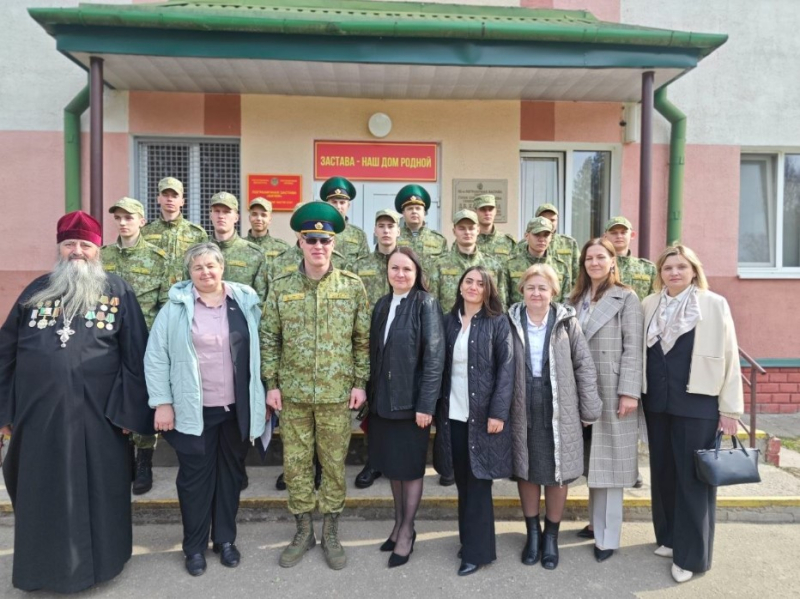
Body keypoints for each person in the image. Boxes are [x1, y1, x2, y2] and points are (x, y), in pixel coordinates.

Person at [0, 211, 153, 593]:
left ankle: (102, 567)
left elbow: (137, 356)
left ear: (98, 249)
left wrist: (129, 414)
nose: (78, 252)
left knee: (101, 492)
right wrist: (4, 413)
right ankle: (41, 572)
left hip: (100, 419)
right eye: (70, 244)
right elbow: (5, 354)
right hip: (38, 420)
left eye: (85, 244)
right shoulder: (35, 291)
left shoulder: (119, 292)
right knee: (42, 493)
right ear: (59, 247)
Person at [144, 242, 266, 577]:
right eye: (198, 267)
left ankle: (225, 540)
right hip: (192, 411)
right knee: (195, 481)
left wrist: (261, 399)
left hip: (235, 411)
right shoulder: (176, 308)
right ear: (190, 272)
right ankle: (194, 547)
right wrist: (162, 403)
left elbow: (259, 353)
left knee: (230, 478)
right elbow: (155, 358)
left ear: (222, 267)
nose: (205, 272)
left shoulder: (244, 302)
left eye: (211, 265)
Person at [261, 201, 370, 571]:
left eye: (325, 239)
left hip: (336, 394)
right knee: (295, 465)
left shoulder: (352, 286)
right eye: (311, 239)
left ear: (334, 242)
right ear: (300, 241)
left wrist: (360, 383)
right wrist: (271, 384)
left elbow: (362, 340)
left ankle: (332, 531)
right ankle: (304, 530)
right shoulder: (281, 286)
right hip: (292, 395)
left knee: (335, 465)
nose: (318, 246)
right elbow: (269, 337)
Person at [641, 245, 743, 584]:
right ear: (660, 273)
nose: (674, 272)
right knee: (664, 473)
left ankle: (692, 556)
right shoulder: (650, 304)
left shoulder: (712, 304)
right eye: (668, 267)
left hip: (697, 404)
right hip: (658, 404)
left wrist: (729, 409)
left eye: (681, 267)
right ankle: (670, 538)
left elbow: (729, 356)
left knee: (693, 480)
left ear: (693, 270)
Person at [507, 264, 601, 571]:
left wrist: (589, 408)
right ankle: (532, 534)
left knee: (557, 471)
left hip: (560, 406)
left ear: (553, 292)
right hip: (521, 405)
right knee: (528, 468)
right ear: (522, 290)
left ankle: (551, 537)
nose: (536, 293)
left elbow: (584, 366)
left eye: (543, 288)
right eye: (531, 287)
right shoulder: (510, 321)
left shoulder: (566, 323)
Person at [433, 266, 513, 576]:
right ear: (460, 285)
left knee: (480, 483)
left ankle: (479, 552)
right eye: (469, 281)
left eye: (480, 283)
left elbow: (506, 370)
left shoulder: (497, 323)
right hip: (453, 414)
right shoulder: (449, 321)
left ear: (488, 290)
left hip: (482, 417)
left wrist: (498, 412)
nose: (473, 287)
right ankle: (469, 539)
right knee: (463, 482)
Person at [567, 238, 644, 562]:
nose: (594, 262)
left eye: (601, 257)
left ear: (613, 261)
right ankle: (595, 523)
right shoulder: (576, 298)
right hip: (581, 388)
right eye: (589, 258)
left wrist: (629, 391)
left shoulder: (625, 297)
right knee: (594, 461)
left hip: (613, 389)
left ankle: (608, 537)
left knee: (611, 463)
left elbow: (634, 346)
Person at [368, 247, 444, 568]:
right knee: (394, 470)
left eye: (407, 269)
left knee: (410, 470)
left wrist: (426, 404)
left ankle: (408, 531)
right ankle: (398, 524)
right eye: (394, 268)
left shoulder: (425, 304)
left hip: (413, 406)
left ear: (417, 273)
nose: (400, 274)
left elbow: (435, 359)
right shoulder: (383, 305)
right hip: (383, 404)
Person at [101, 197, 171, 495]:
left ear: (142, 220)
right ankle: (121, 459)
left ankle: (144, 461)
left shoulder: (158, 258)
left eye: (129, 217)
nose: (123, 222)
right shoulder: (102, 258)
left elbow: (166, 304)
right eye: (118, 217)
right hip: (106, 342)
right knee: (110, 398)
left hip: (144, 342)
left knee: (143, 399)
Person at [351, 208, 403, 489]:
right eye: (381, 225)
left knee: (398, 404)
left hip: (401, 349)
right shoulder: (360, 265)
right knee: (373, 406)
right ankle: (373, 461)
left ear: (398, 231)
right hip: (370, 346)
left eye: (390, 226)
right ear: (374, 230)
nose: (385, 231)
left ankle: (394, 460)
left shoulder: (407, 263)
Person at [429, 209, 508, 313]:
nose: (467, 232)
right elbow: (432, 304)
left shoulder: (493, 265)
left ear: (478, 230)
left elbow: (500, 303)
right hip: (449, 325)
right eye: (462, 228)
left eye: (471, 228)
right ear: (454, 231)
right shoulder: (440, 265)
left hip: (485, 325)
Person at [141, 176, 208, 282]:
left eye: (175, 196)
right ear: (158, 199)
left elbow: (204, 265)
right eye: (165, 195)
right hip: (152, 294)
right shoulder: (145, 232)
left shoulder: (197, 233)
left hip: (185, 292)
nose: (170, 199)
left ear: (182, 201)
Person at [209, 192, 268, 301]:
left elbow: (261, 298)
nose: (221, 216)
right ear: (210, 215)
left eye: (227, 212)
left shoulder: (254, 254)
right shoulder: (198, 251)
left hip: (240, 316)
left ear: (236, 217)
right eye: (217, 211)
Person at [506, 217, 572, 304]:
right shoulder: (511, 265)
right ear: (526, 236)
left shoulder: (561, 266)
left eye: (546, 235)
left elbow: (566, 301)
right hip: (517, 316)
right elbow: (503, 301)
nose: (541, 239)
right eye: (537, 235)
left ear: (551, 237)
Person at [395, 184, 447, 273]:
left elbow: (445, 268)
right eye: (410, 209)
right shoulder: (394, 237)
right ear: (403, 213)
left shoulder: (439, 239)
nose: (414, 211)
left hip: (430, 286)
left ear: (424, 212)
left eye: (418, 208)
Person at [603, 216, 657, 300]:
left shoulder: (648, 268)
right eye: (614, 233)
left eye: (623, 232)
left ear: (632, 235)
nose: (619, 236)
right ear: (605, 237)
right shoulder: (599, 266)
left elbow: (655, 300)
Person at [320, 176, 370, 263]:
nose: (338, 206)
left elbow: (364, 264)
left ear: (348, 206)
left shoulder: (358, 235)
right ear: (327, 204)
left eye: (342, 203)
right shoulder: (318, 231)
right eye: (334, 202)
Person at [474, 194, 516, 260]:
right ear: (475, 212)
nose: (487, 213)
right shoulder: (469, 241)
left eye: (490, 209)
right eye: (483, 209)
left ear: (495, 211)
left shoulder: (507, 242)